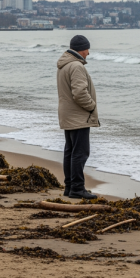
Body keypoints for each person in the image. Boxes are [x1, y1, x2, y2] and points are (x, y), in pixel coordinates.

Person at [56, 35, 100, 199]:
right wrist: (92, 106)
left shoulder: (64, 65)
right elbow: (80, 93)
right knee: (80, 153)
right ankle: (77, 188)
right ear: (82, 49)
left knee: (70, 151)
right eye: (87, 49)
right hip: (78, 116)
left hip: (68, 115)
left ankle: (69, 187)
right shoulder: (76, 66)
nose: (88, 53)